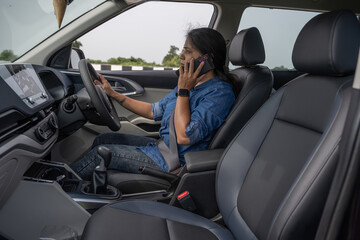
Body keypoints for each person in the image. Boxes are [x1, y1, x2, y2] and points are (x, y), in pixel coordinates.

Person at [71, 28, 236, 180]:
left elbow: (184, 136)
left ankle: (62, 186)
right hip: (161, 148)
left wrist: (184, 91)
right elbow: (153, 111)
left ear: (207, 58)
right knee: (103, 139)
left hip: (173, 162)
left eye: (188, 51)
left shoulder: (219, 93)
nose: (181, 56)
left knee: (98, 155)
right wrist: (112, 93)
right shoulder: (188, 84)